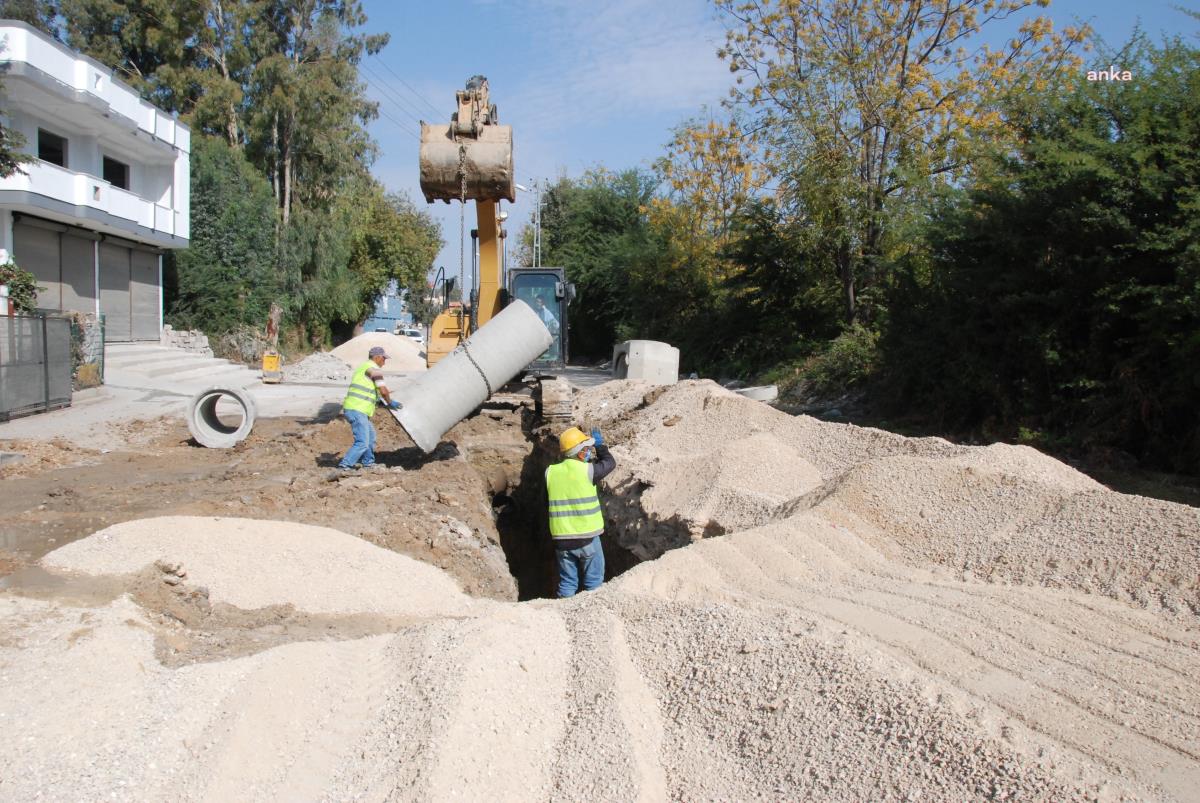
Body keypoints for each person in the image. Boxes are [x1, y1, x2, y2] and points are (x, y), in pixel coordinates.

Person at [545, 425, 616, 597]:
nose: (589, 452)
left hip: (562, 540)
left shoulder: (550, 472)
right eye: (587, 449)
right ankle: (591, 615)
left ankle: (563, 614)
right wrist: (600, 446)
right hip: (587, 539)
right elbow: (610, 463)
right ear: (579, 451)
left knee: (568, 583)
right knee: (594, 583)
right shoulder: (588, 470)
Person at [337, 346, 401, 471]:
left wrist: (381, 402)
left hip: (359, 409)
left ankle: (368, 463)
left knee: (370, 437)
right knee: (362, 442)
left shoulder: (364, 367)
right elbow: (383, 391)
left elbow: (371, 393)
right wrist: (390, 402)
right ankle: (345, 465)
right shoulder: (373, 369)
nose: (384, 361)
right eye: (383, 358)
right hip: (357, 409)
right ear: (377, 357)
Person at [533, 294, 560, 360]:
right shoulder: (532, 311)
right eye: (537, 302)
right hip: (533, 336)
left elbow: (556, 325)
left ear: (543, 303)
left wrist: (551, 328)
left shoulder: (547, 313)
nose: (538, 303)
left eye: (539, 302)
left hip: (544, 337)